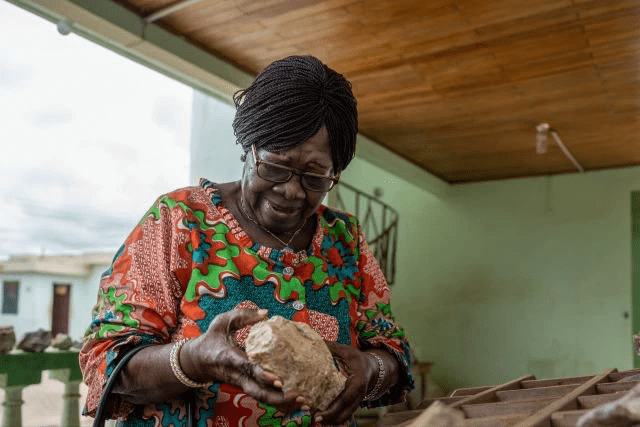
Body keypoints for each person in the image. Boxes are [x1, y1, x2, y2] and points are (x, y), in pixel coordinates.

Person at [80, 55, 414, 427]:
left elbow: (393, 350)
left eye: (315, 176)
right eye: (275, 166)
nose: (291, 190)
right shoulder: (180, 220)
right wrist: (194, 360)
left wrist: (372, 369)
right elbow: (104, 362)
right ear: (248, 147)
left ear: (335, 171)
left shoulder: (344, 241)